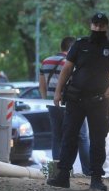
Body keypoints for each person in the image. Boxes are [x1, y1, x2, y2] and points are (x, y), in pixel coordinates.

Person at [47, 12, 109, 191]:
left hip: (99, 100)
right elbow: (67, 68)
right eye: (96, 24)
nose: (98, 27)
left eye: (102, 25)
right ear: (91, 25)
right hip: (76, 98)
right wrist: (58, 92)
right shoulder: (80, 44)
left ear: (106, 27)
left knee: (98, 139)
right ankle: (63, 176)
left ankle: (96, 179)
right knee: (69, 136)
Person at [39, 37, 91, 175]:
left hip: (52, 104)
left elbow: (42, 85)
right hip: (71, 103)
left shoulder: (46, 61)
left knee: (57, 136)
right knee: (82, 136)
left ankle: (58, 170)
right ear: (72, 48)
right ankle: (87, 170)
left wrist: (46, 101)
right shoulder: (73, 62)